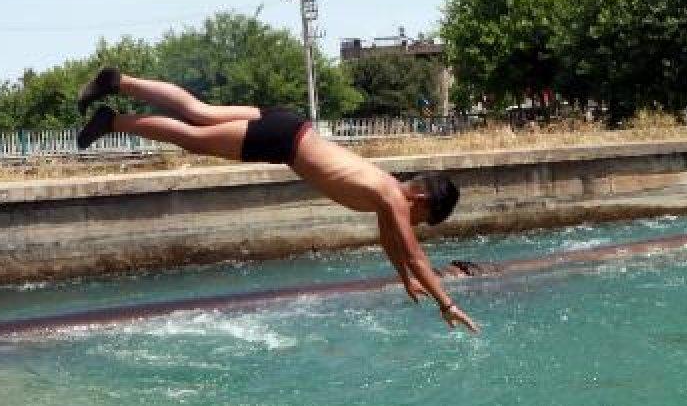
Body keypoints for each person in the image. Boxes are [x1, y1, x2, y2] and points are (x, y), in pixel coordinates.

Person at [76, 68, 479, 333]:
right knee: (191, 135)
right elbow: (414, 253)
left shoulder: (386, 192)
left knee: (200, 112)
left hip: (289, 125)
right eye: (422, 218)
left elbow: (393, 243)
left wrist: (403, 278)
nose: (415, 223)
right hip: (283, 140)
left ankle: (119, 81)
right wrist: (445, 303)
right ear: (422, 197)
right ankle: (112, 120)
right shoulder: (392, 195)